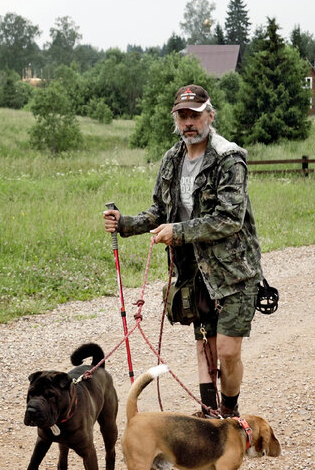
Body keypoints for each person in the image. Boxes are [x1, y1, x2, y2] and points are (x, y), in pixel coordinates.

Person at [103, 84, 262, 418]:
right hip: (192, 272)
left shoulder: (229, 158)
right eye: (182, 116)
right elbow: (160, 210)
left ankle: (230, 414)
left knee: (228, 352)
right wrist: (127, 223)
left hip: (234, 271)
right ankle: (209, 414)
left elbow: (229, 219)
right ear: (176, 119)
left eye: (195, 115)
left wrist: (178, 232)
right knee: (205, 346)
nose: (189, 122)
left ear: (210, 115)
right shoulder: (172, 159)